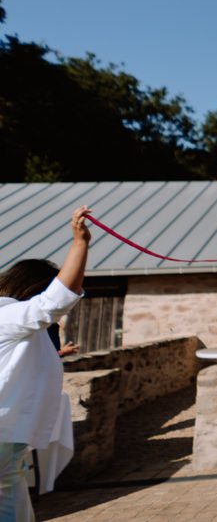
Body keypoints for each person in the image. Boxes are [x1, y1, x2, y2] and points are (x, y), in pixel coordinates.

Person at [0, 206, 91, 522]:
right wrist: (80, 243)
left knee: (15, 501)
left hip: (7, 443)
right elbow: (54, 303)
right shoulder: (7, 314)